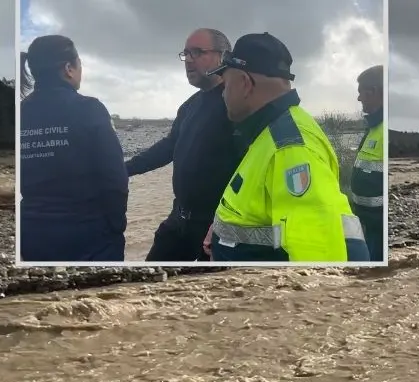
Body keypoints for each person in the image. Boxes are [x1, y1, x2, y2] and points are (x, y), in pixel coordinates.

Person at [202, 33, 368, 261]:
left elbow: (317, 259)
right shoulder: (269, 131)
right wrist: (222, 232)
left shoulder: (290, 147)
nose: (223, 93)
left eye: (226, 83)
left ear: (244, 84)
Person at [124, 29, 244, 261]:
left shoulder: (235, 106)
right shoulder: (189, 106)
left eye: (197, 52)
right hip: (179, 220)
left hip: (216, 227)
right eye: (186, 53)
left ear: (223, 56)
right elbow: (168, 147)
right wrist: (124, 169)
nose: (189, 59)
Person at [18, 35, 128, 261]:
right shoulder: (89, 108)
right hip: (88, 234)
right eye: (79, 64)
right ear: (69, 68)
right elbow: (114, 177)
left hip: (32, 232)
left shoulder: (20, 112)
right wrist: (116, 226)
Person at [346, 65, 385, 262]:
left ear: (375, 92)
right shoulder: (374, 127)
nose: (359, 98)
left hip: (378, 226)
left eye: (362, 93)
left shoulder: (384, 129)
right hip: (366, 223)